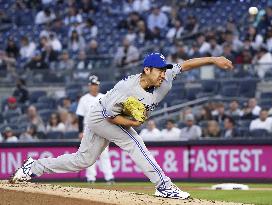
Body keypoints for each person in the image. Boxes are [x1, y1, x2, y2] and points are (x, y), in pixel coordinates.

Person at [10, 53, 233, 199]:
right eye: (159, 70)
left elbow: (185, 65)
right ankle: (163, 185)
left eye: (164, 70)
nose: (163, 73)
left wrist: (214, 59)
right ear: (147, 70)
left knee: (83, 160)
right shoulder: (126, 88)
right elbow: (108, 117)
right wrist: (133, 122)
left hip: (108, 116)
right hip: (102, 116)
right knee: (134, 141)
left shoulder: (165, 78)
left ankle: (34, 167)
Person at [76, 75, 115, 184]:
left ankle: (109, 177)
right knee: (89, 154)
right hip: (88, 129)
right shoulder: (84, 99)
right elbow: (80, 116)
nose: (94, 87)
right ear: (89, 86)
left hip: (102, 128)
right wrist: (80, 131)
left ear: (98, 86)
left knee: (104, 154)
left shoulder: (104, 97)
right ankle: (91, 178)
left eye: (96, 85)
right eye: (93, 85)